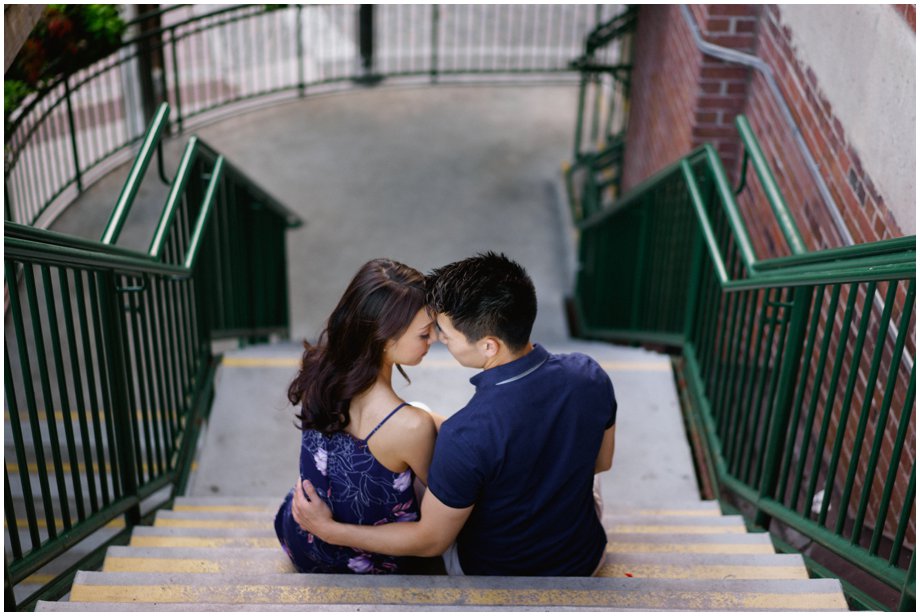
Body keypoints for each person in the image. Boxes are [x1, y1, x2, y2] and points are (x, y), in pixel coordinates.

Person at [293, 252, 617, 576]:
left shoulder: (464, 435)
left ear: (489, 346)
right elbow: (601, 463)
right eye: (429, 332)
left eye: (445, 333)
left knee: (444, 455)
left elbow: (432, 541)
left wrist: (329, 530)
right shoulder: (590, 375)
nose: (438, 339)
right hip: (583, 560)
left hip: (492, 574)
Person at [274, 258, 440, 574]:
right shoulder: (410, 426)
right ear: (386, 337)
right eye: (424, 333)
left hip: (301, 538)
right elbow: (438, 530)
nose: (432, 340)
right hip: (365, 562)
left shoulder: (319, 373)